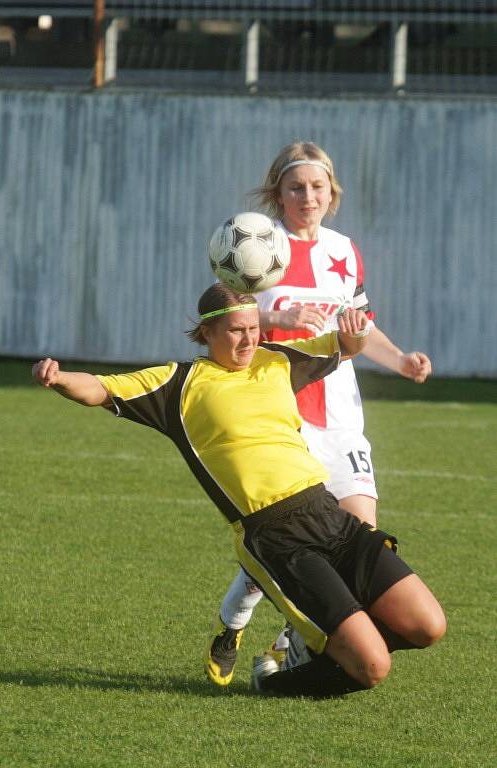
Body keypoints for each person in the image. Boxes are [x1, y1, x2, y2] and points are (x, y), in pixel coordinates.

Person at [32, 283, 446, 697]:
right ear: (207, 333)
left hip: (329, 513)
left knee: (429, 625)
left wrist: (355, 332)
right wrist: (58, 377)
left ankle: (327, 646)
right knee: (373, 667)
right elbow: (102, 388)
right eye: (235, 331)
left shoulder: (278, 360)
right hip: (276, 537)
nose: (248, 339)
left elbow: (343, 345)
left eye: (253, 328)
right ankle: (273, 683)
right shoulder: (178, 386)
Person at [205, 141, 434, 687]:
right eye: (296, 187)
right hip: (284, 411)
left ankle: (293, 650)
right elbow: (224, 306)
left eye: (318, 186)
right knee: (290, 541)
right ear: (278, 194)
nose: (308, 196)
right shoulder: (261, 243)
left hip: (341, 414)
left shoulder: (345, 250)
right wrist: (279, 310)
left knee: (357, 541)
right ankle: (233, 623)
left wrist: (399, 358)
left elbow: (360, 321)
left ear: (332, 192)